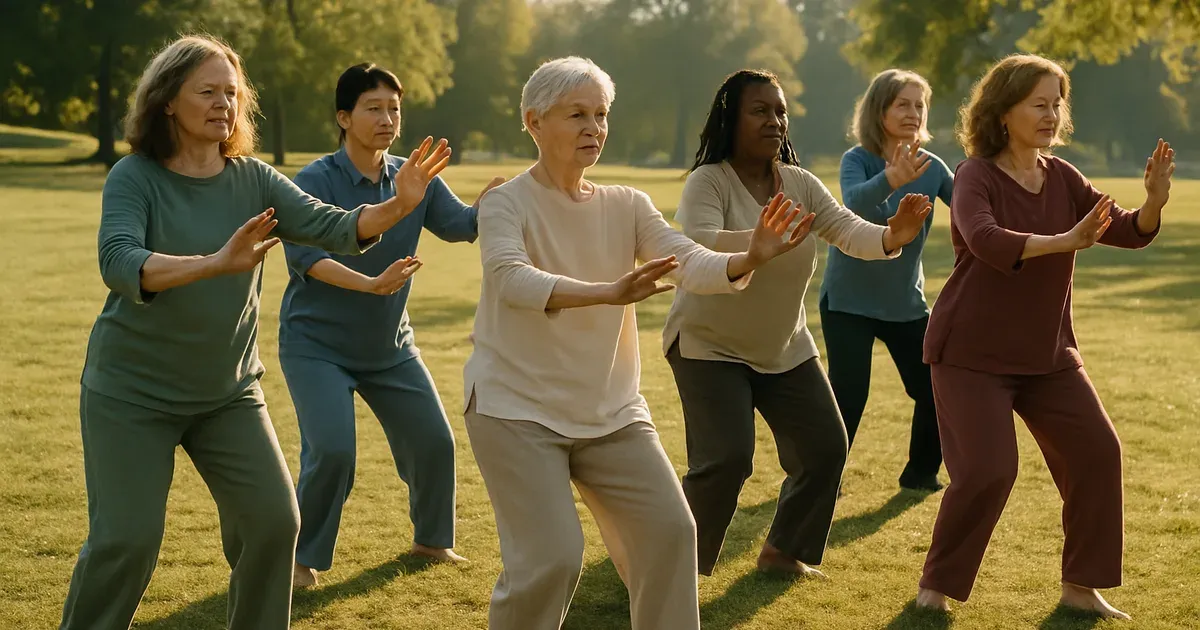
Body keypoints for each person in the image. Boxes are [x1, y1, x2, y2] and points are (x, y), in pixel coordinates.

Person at [59, 36, 451, 630]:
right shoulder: (134, 176)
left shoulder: (255, 180)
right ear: (168, 101)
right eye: (207, 91)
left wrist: (399, 206)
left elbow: (335, 226)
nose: (224, 104)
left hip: (227, 394)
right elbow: (119, 263)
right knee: (127, 543)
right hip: (132, 394)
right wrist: (216, 262)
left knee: (275, 523)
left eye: (232, 93)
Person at [463, 57, 810, 630]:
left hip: (610, 412)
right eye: (577, 114)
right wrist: (607, 291)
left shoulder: (626, 203)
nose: (593, 128)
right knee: (551, 560)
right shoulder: (505, 202)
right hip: (514, 408)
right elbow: (510, 278)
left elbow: (688, 258)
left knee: (672, 533)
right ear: (533, 121)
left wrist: (749, 255)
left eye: (601, 115)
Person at [914, 53, 1174, 619]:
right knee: (987, 470)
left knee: (1098, 454)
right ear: (1004, 111)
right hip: (970, 354)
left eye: (1058, 103)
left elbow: (1125, 230)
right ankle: (935, 588)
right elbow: (984, 239)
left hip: (1048, 355)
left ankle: (1082, 587)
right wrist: (1065, 240)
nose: (1052, 114)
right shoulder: (974, 176)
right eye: (1039, 104)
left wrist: (1152, 202)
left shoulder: (1063, 176)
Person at [660, 68, 933, 579]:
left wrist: (892, 235)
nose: (774, 121)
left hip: (783, 346)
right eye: (760, 110)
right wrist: (756, 242)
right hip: (708, 345)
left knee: (826, 448)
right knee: (726, 459)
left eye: (780, 111)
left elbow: (849, 231)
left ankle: (784, 552)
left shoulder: (800, 184)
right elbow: (695, 245)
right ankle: (676, 569)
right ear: (731, 118)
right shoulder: (709, 180)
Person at [277, 63, 503, 588]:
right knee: (332, 451)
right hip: (317, 346)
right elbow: (308, 259)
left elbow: (459, 226)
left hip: (389, 346)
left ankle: (431, 541)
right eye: (373, 108)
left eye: (394, 109)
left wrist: (488, 204)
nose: (387, 119)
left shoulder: (413, 174)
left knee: (434, 442)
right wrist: (373, 283)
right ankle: (299, 561)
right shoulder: (313, 181)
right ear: (343, 116)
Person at [818, 69, 954, 492]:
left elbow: (969, 204)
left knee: (936, 387)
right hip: (848, 303)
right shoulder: (856, 160)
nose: (914, 113)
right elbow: (853, 203)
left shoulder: (933, 167)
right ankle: (823, 479)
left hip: (904, 305)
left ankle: (920, 472)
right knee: (850, 395)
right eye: (903, 104)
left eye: (920, 105)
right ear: (880, 110)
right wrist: (893, 178)